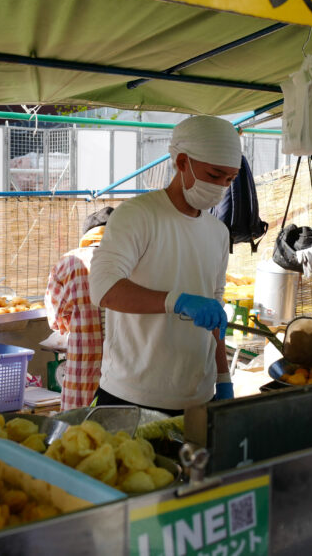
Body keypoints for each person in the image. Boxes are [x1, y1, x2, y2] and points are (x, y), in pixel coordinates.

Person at [89, 115, 241, 415]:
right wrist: (176, 301)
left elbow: (215, 313)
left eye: (229, 180)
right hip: (131, 395)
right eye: (214, 175)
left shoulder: (218, 232)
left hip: (198, 397)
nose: (220, 188)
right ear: (182, 162)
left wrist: (223, 378)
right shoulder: (138, 215)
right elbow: (103, 288)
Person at [44, 206, 113, 411]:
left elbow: (55, 320)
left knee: (78, 431)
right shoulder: (135, 258)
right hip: (128, 373)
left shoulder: (68, 262)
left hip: (84, 370)